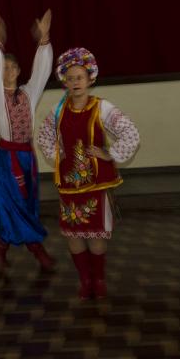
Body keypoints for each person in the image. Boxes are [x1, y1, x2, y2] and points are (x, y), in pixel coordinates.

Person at [37, 49, 140, 299]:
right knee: (74, 234)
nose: (75, 83)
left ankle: (99, 279)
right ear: (64, 81)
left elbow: (130, 133)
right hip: (69, 184)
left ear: (90, 79)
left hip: (95, 183)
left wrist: (109, 153)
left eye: (80, 78)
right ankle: (84, 280)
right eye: (70, 78)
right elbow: (43, 135)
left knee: (94, 235)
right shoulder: (58, 110)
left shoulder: (102, 107)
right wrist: (55, 153)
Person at [0, 9, 55, 273]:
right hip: (6, 159)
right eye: (4, 67)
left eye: (13, 66)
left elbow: (42, 73)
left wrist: (44, 40)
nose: (9, 70)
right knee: (10, 204)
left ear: (19, 70)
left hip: (26, 157)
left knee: (26, 203)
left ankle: (2, 247)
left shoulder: (28, 93)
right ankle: (36, 250)